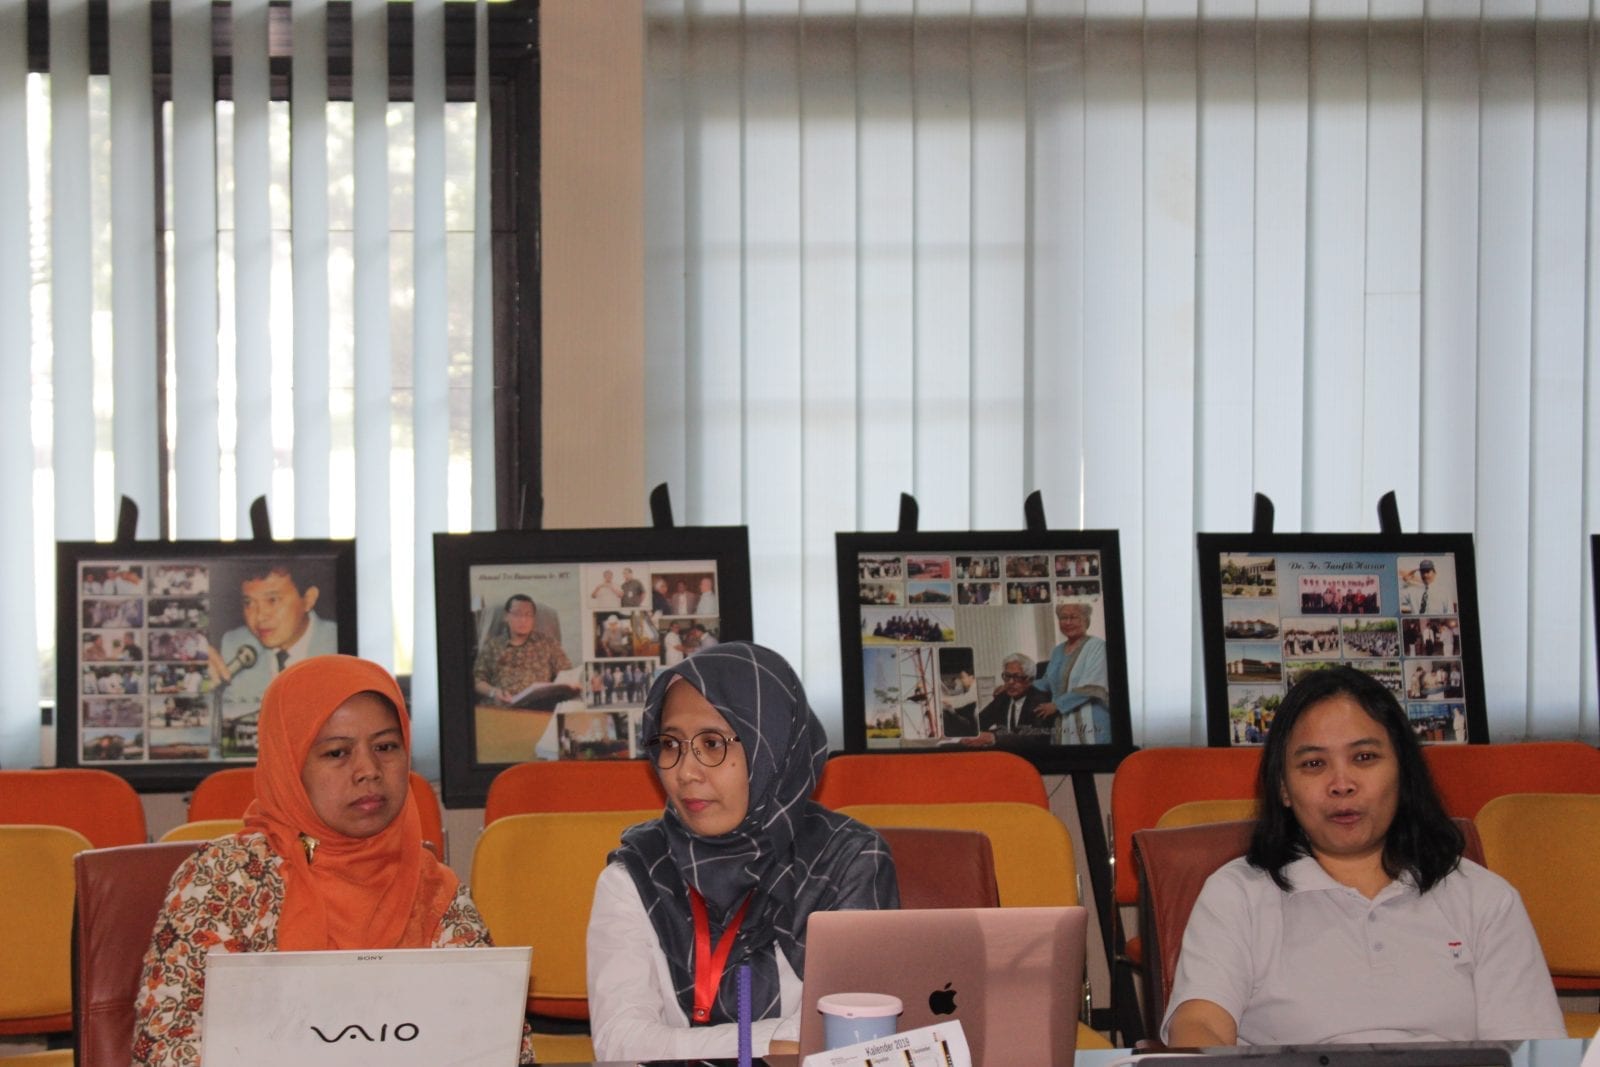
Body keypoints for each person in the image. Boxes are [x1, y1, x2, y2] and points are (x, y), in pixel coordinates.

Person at [131, 655, 534, 1065]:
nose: (368, 770)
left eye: (385, 747)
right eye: (337, 752)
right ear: (289, 766)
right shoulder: (224, 880)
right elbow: (167, 1048)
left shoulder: (434, 891)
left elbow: (501, 1046)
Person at [1163, 666, 1563, 1048]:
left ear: (1402, 771)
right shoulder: (1237, 895)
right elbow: (1199, 1027)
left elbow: (1529, 1049)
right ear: (1283, 787)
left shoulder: (1485, 899)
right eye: (1314, 764)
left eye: (1364, 757)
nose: (1342, 784)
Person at [587, 642, 899, 1061]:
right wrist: (768, 1042)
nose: (686, 771)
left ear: (772, 746)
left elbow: (852, 1030)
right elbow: (619, 1042)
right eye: (670, 744)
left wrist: (677, 1043)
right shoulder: (636, 873)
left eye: (713, 743)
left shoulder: (848, 863)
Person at [209, 564, 338, 709]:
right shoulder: (235, 644)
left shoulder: (340, 646)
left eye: (272, 600)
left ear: (308, 599)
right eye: (248, 603)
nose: (260, 617)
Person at [473, 593, 573, 705]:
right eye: (517, 614)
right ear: (506, 616)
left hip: (537, 708)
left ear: (533, 619)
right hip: (500, 708)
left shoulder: (548, 644)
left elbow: (567, 675)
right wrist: (493, 692)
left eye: (528, 615)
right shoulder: (492, 646)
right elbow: (477, 680)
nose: (523, 620)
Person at [1034, 601, 1111, 744]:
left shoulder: (1098, 646)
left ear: (1086, 620)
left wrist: (1056, 705)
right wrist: (1020, 685)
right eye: (1063, 618)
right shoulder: (1057, 651)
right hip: (1062, 721)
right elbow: (1047, 682)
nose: (1068, 622)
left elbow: (1091, 687)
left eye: (1074, 617)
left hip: (1092, 720)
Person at [965, 652, 1054, 748]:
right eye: (1007, 676)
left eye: (1017, 677)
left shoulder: (1041, 701)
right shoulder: (1003, 697)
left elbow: (1035, 737)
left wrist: (994, 737)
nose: (1010, 682)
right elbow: (980, 722)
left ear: (1030, 680)